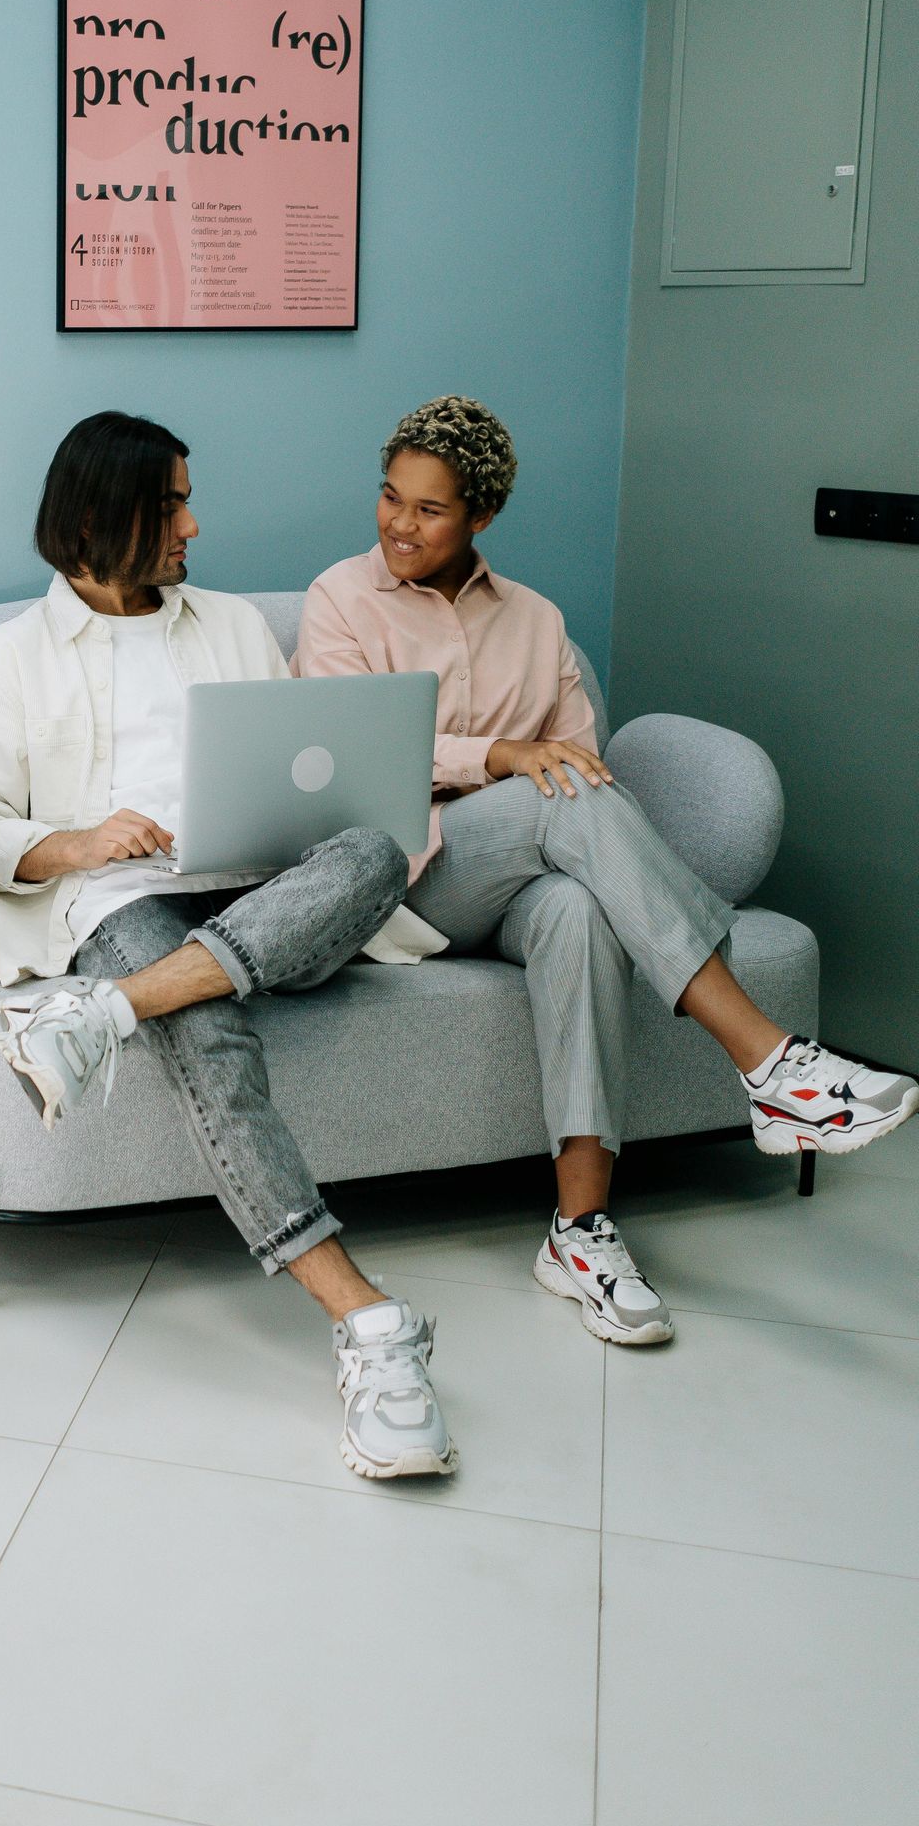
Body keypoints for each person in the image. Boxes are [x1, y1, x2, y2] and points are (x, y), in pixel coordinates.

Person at [296, 394, 918, 1347]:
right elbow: (355, 757)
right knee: (562, 798)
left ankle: (580, 1235)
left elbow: (585, 772)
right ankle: (767, 1059)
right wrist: (500, 757)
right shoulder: (339, 598)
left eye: (430, 509)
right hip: (405, 876)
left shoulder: (538, 623)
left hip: (519, 883)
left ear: (481, 517)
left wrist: (537, 772)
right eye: (390, 497)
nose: (398, 525)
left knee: (582, 907)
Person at [0, 410, 458, 1482]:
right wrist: (73, 840)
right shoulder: (1, 660)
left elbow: (301, 776)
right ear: (103, 514)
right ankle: (368, 1326)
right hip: (106, 899)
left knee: (369, 848)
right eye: (174, 504)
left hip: (260, 883)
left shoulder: (229, 629)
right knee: (210, 1033)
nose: (194, 526)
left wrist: (285, 841)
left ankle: (105, 1016)